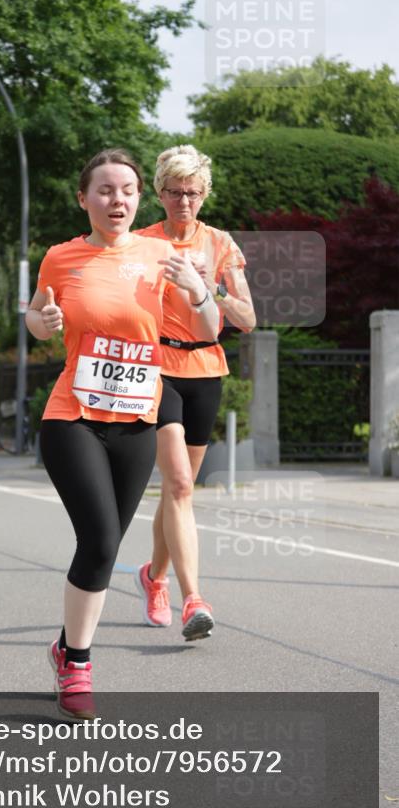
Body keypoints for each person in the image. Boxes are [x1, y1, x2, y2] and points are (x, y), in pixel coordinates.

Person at [26, 149, 219, 720]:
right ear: (84, 199)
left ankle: (63, 647)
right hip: (73, 414)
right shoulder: (61, 258)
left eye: (128, 190)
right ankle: (79, 661)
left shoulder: (163, 255)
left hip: (137, 417)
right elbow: (37, 318)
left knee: (103, 548)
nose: (118, 200)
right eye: (106, 190)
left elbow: (209, 330)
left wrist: (199, 289)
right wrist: (45, 321)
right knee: (103, 540)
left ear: (140, 199)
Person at [134, 145, 256, 640]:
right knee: (181, 484)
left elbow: (247, 320)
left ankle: (153, 576)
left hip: (206, 367)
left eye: (193, 193)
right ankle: (193, 601)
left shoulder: (221, 244)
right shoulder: (140, 242)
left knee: (176, 490)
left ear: (205, 194)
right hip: (156, 367)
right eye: (174, 192)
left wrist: (213, 288)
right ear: (160, 193)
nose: (184, 201)